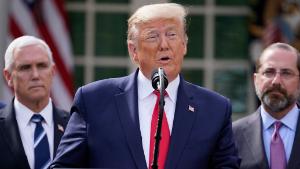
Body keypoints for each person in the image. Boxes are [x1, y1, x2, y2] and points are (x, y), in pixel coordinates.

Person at [51, 3, 240, 169]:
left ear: (184, 45)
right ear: (133, 51)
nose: (164, 45)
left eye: (172, 34)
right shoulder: (93, 100)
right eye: (152, 36)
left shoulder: (215, 109)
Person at [0, 35, 70, 169]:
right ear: (8, 76)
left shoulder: (75, 126)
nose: (36, 75)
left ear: (53, 71)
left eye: (42, 66)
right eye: (25, 67)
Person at [233, 42, 300, 169]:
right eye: (269, 72)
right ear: (255, 80)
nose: (276, 81)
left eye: (286, 73)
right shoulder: (232, 136)